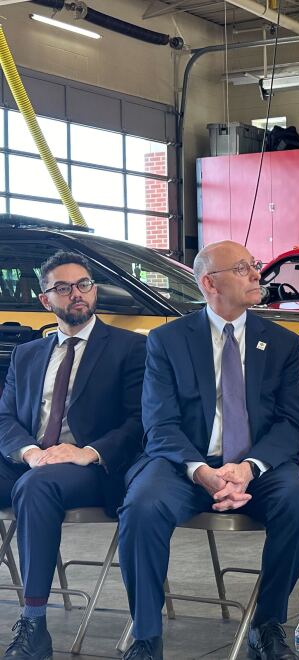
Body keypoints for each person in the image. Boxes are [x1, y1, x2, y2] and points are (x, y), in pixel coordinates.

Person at [118, 240, 299, 660]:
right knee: (141, 506)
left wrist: (247, 468)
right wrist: (201, 471)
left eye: (254, 265)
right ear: (210, 282)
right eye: (243, 268)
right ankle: (146, 637)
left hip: (256, 467)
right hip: (183, 466)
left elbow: (291, 421)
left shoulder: (280, 343)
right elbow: (160, 423)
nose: (256, 274)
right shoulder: (167, 341)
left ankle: (267, 625)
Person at [0, 251, 146, 659]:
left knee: (36, 488)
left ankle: (34, 625)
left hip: (94, 468)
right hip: (35, 462)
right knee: (34, 479)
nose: (76, 294)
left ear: (94, 290)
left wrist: (87, 452)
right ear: (46, 300)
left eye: (83, 284)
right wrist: (28, 451)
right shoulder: (27, 354)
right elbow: (5, 417)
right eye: (63, 288)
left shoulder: (131, 348)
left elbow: (141, 422)